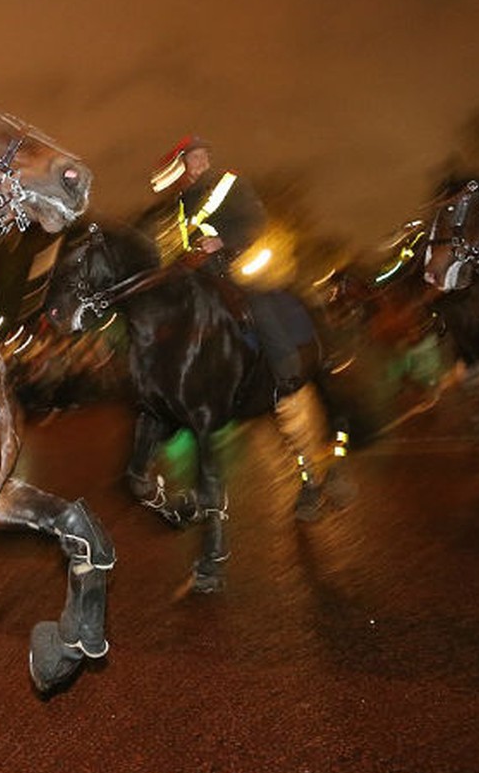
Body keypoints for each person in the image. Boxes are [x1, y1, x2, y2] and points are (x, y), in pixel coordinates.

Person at [146, 134, 343, 520]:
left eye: (201, 156)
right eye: (191, 159)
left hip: (241, 260)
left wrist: (222, 241)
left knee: (255, 298)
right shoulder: (181, 204)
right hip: (202, 275)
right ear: (183, 165)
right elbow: (179, 245)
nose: (197, 163)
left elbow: (256, 220)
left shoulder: (230, 184)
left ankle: (285, 367)